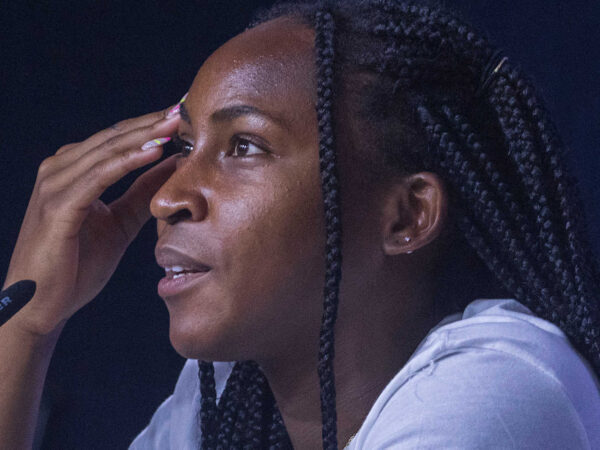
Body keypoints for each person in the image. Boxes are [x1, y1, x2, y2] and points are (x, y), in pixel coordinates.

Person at [1, 0, 600, 448]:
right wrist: (26, 326)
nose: (168, 198)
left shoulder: (497, 390)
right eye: (184, 148)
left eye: (245, 146)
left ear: (407, 215)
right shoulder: (223, 398)